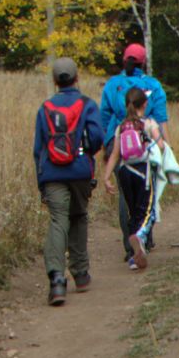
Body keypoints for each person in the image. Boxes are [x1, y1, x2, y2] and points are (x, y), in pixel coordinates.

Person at [33, 55, 104, 306]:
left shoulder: (45, 108)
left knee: (57, 220)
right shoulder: (87, 105)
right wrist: (85, 155)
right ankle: (81, 274)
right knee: (78, 216)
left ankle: (56, 281)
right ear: (77, 78)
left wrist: (41, 180)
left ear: (55, 82)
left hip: (52, 173)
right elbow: (97, 137)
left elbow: (38, 147)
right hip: (80, 171)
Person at [99, 43, 171, 251]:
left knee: (125, 193)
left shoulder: (113, 85)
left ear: (124, 60)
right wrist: (168, 146)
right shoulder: (153, 85)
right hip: (146, 142)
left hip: (119, 141)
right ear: (143, 62)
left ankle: (129, 245)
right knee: (147, 191)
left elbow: (104, 116)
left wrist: (107, 144)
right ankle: (144, 237)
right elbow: (161, 118)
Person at [103, 86, 162, 269]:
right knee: (148, 211)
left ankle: (134, 256)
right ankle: (141, 236)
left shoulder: (121, 127)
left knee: (132, 212)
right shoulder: (148, 123)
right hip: (143, 171)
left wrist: (106, 177)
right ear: (145, 104)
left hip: (124, 172)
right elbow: (160, 146)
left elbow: (114, 154)